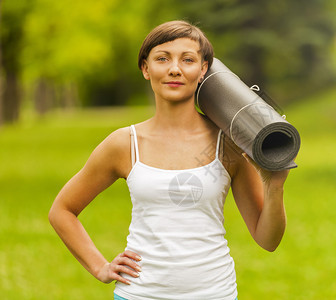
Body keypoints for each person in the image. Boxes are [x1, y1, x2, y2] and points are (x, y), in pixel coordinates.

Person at [49, 20, 290, 300]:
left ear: (202, 70)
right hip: (139, 294)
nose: (175, 68)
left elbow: (268, 240)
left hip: (215, 293)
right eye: (162, 58)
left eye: (187, 59)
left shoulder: (230, 143)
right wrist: (100, 267)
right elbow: (62, 210)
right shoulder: (124, 144)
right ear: (145, 68)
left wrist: (275, 185)